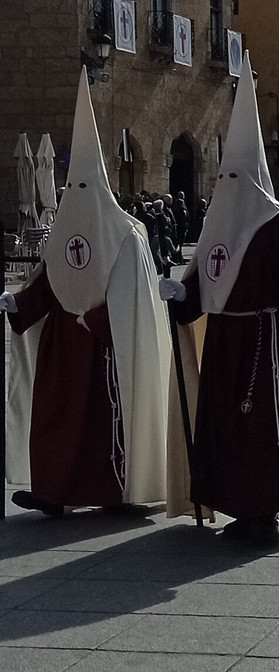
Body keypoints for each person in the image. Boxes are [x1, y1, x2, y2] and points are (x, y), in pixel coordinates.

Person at [158, 52, 279, 539]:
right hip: (223, 341)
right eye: (224, 178)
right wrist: (181, 295)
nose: (229, 186)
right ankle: (233, 501)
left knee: (259, 428)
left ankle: (263, 508)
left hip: (267, 343)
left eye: (238, 178)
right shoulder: (217, 224)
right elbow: (204, 281)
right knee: (224, 425)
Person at [2, 68, 171, 516]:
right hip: (62, 349)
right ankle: (53, 491)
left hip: (105, 352)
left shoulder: (126, 235)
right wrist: (17, 303)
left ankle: (115, 489)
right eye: (70, 185)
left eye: (83, 185)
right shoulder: (62, 232)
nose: (75, 193)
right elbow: (48, 281)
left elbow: (134, 297)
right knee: (57, 420)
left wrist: (97, 320)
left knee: (102, 423)